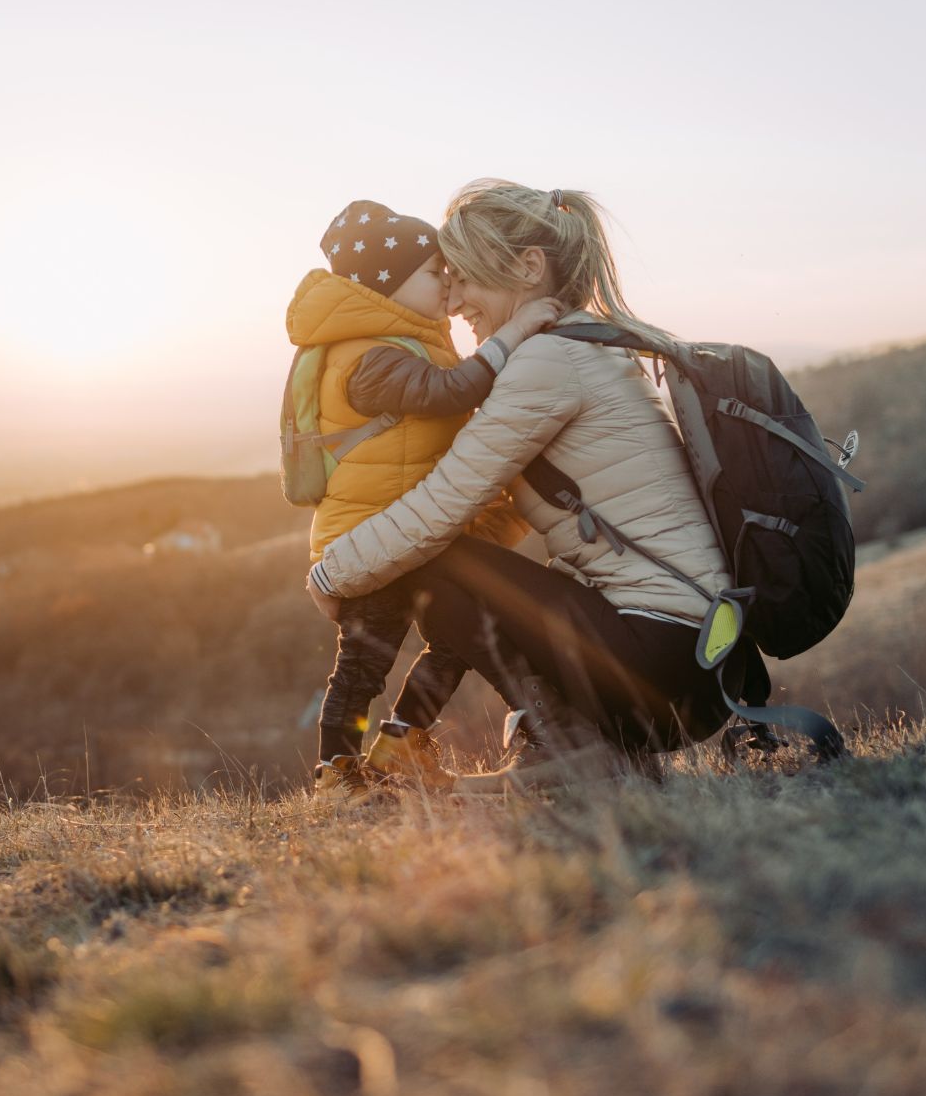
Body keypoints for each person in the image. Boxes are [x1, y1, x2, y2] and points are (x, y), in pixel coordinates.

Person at [307, 182, 736, 791]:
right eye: (446, 279)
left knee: (427, 563)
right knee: (443, 563)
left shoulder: (548, 362)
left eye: (466, 279)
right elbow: (498, 508)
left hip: (661, 661)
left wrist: (334, 572)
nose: (454, 301)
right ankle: (569, 742)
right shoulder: (583, 344)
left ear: (529, 268)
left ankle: (570, 749)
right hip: (694, 666)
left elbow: (442, 504)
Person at [289, 199, 561, 804]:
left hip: (411, 536)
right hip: (367, 538)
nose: (447, 283)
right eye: (434, 271)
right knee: (364, 662)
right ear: (388, 285)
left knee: (455, 639)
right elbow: (449, 394)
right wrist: (516, 332)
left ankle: (402, 742)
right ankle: (337, 770)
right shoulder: (367, 356)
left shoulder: (410, 343)